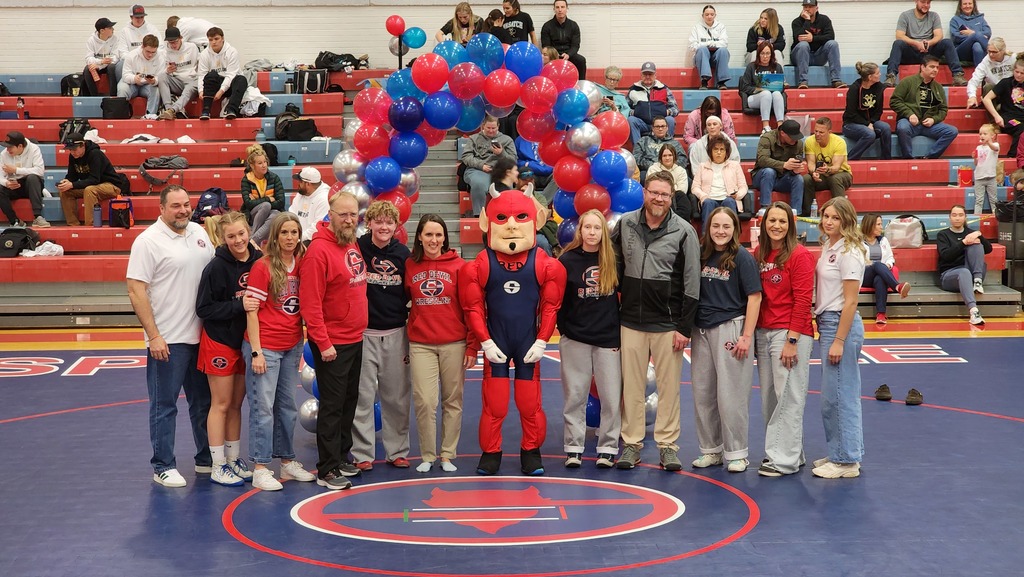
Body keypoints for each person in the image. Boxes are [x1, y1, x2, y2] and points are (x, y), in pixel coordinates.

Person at [460, 189, 567, 476]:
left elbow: (550, 307)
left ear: (535, 219)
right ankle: (491, 452)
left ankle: (530, 451)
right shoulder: (480, 264)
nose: (510, 224)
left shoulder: (546, 263)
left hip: (526, 343)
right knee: (494, 403)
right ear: (487, 222)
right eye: (502, 217)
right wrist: (484, 340)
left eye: (520, 216)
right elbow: (472, 307)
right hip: (496, 340)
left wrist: (543, 339)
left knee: (529, 403)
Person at [126, 184, 215, 488]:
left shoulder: (199, 233)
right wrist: (153, 336)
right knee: (164, 405)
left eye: (186, 205)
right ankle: (163, 465)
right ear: (161, 209)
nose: (183, 210)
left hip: (203, 337)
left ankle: (207, 460)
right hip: (169, 340)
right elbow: (135, 289)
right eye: (175, 205)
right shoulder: (148, 241)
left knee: (203, 403)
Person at [612, 171, 700, 471]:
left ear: (671, 196)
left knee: (669, 388)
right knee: (632, 388)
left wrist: (684, 327)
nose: (659, 199)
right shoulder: (625, 224)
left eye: (664, 194)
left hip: (668, 325)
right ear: (644, 192)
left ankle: (667, 446)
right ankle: (632, 444)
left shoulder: (685, 231)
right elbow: (611, 265)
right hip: (631, 322)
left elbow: (692, 284)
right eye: (654, 192)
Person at [242, 212, 318, 491]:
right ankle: (261, 467)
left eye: (294, 232)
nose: (289, 238)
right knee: (263, 408)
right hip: (265, 346)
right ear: (274, 236)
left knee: (286, 407)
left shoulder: (302, 265)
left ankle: (287, 461)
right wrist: (257, 352)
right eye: (284, 232)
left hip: (292, 345)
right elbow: (252, 313)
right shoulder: (263, 267)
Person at [299, 191, 369, 490]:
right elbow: (310, 304)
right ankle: (327, 469)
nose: (349, 219)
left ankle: (341, 456)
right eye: (343, 214)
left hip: (355, 337)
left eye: (353, 214)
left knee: (348, 401)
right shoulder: (318, 252)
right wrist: (323, 343)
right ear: (330, 214)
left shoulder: (350, 241)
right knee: (331, 405)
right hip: (333, 343)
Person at [690, 207, 761, 473]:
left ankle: (737, 453)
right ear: (708, 228)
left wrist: (746, 336)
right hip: (701, 330)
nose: (720, 231)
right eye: (716, 226)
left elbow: (754, 297)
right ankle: (711, 450)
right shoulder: (701, 253)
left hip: (731, 328)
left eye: (726, 227)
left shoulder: (742, 257)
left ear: (734, 230)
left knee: (731, 395)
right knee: (703, 393)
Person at [406, 214, 478, 473]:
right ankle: (427, 454)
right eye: (428, 235)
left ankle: (447, 454)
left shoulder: (460, 266)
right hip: (420, 344)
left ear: (445, 237)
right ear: (420, 238)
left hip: (454, 343)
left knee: (452, 401)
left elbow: (472, 308)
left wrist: (472, 345)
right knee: (425, 400)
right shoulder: (410, 266)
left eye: (438, 235)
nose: (434, 240)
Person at [195, 211, 261, 487]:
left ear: (248, 232)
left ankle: (233, 458)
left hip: (245, 342)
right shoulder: (215, 268)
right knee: (220, 404)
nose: (237, 240)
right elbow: (204, 308)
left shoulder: (259, 261)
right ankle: (218, 464)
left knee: (236, 404)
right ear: (222, 238)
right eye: (231, 236)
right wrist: (239, 305)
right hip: (220, 341)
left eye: (241, 234)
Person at [753, 201, 815, 477]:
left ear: (790, 226)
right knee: (771, 399)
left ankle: (782, 461)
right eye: (772, 221)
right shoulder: (759, 253)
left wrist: (792, 340)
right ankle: (793, 453)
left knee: (789, 397)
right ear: (764, 225)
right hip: (764, 332)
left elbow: (803, 300)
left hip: (789, 333)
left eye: (782, 221)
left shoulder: (800, 255)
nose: (776, 226)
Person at [557, 209, 622, 469]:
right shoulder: (567, 260)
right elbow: (558, 301)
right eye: (588, 228)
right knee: (575, 396)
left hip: (607, 338)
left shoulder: (614, 259)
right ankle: (574, 447)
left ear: (603, 231)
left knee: (610, 397)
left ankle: (607, 447)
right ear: (580, 230)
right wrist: (565, 329)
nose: (592, 232)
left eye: (597, 228)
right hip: (575, 338)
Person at [351, 201, 413, 472]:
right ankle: (362, 453)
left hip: (396, 333)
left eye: (389, 222)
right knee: (362, 398)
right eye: (379, 221)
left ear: (396, 226)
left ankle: (397, 451)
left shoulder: (403, 254)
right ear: (370, 223)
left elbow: (412, 292)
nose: (384, 227)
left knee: (397, 398)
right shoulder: (357, 249)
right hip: (363, 334)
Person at [812, 197, 866, 479]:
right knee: (832, 395)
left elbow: (851, 302)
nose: (828, 221)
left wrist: (839, 340)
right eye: (825, 216)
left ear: (846, 220)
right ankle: (841, 451)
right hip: (828, 321)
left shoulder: (850, 252)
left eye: (834, 217)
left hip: (839, 323)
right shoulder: (830, 246)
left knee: (840, 394)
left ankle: (846, 461)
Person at [885, 0, 967, 87]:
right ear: (916, 1)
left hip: (929, 52)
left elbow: (939, 35)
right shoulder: (905, 15)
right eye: (923, 2)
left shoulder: (934, 16)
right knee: (898, 43)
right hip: (911, 52)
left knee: (947, 42)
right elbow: (899, 35)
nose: (926, 5)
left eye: (928, 3)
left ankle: (958, 75)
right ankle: (891, 76)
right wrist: (916, 43)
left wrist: (929, 43)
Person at [891, 55, 958, 159]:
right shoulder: (908, 82)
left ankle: (929, 157)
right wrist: (909, 114)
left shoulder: (938, 87)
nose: (935, 70)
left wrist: (933, 119)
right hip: (910, 122)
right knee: (902, 127)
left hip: (929, 125)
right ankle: (907, 158)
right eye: (932, 67)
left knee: (952, 131)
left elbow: (943, 109)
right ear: (922, 67)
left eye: (937, 67)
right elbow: (895, 101)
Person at [937, 204, 992, 325]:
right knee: (964, 272)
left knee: (977, 244)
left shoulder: (971, 232)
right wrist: (964, 242)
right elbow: (946, 256)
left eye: (961, 215)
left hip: (972, 273)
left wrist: (979, 235)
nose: (957, 218)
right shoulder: (943, 234)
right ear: (949, 218)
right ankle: (974, 311)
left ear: (965, 217)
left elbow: (988, 249)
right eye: (954, 215)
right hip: (950, 275)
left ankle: (977, 281)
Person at [56, 133, 126, 227]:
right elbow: (72, 176)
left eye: (74, 149)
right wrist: (66, 182)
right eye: (70, 150)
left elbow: (94, 179)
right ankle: (73, 225)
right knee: (65, 191)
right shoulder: (73, 156)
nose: (72, 152)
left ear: (83, 145)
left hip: (111, 185)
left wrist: (72, 184)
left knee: (89, 190)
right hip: (92, 186)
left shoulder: (95, 154)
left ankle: (90, 226)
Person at [860, 213, 911, 325]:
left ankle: (881, 314)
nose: (881, 227)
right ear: (870, 225)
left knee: (880, 278)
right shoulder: (857, 241)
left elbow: (890, 258)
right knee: (877, 265)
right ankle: (897, 287)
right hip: (862, 274)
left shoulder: (883, 240)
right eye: (878, 224)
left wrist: (887, 265)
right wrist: (874, 265)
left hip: (879, 273)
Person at [461, 115, 516, 216]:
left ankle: (506, 214)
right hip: (478, 169)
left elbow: (513, 160)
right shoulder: (474, 139)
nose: (491, 131)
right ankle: (479, 214)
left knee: (506, 184)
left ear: (498, 126)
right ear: (483, 126)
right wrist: (481, 165)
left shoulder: (507, 140)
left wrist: (501, 153)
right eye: (488, 128)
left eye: (493, 128)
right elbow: (466, 157)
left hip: (500, 170)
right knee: (479, 184)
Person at [751, 119, 805, 215]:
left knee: (798, 178)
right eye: (792, 137)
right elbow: (762, 160)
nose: (795, 140)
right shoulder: (767, 138)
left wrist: (795, 170)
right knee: (769, 172)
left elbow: (794, 169)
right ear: (782, 133)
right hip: (762, 178)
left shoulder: (799, 144)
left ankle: (796, 213)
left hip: (782, 178)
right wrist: (784, 165)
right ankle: (765, 208)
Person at [692, 135, 748, 228]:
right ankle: (706, 239)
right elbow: (695, 187)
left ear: (726, 152)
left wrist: (737, 195)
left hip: (728, 197)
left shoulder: (735, 166)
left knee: (729, 202)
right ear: (710, 151)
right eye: (715, 149)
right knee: (708, 203)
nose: (718, 152)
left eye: (722, 149)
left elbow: (743, 186)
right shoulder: (702, 166)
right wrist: (703, 196)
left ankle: (732, 238)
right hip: (709, 198)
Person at [802, 117, 853, 216]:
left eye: (821, 132)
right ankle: (808, 213)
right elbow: (811, 163)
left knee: (834, 178)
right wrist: (814, 173)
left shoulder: (839, 142)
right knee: (806, 178)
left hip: (842, 174)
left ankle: (842, 214)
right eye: (816, 131)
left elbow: (836, 167)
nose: (817, 134)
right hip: (822, 175)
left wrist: (828, 169)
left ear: (829, 132)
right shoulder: (809, 141)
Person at [842, 62, 891, 161]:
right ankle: (851, 159)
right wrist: (866, 124)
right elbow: (851, 113)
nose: (880, 75)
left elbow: (879, 111)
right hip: (851, 124)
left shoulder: (879, 87)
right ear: (870, 77)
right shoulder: (854, 89)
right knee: (869, 134)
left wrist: (872, 122)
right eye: (877, 73)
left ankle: (886, 159)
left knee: (885, 128)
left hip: (870, 122)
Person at [791, 0, 846, 89]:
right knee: (803, 44)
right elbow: (800, 38)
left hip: (818, 55)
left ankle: (836, 80)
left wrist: (813, 38)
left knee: (833, 44)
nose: (807, 9)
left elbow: (830, 36)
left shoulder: (824, 20)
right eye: (805, 7)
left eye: (810, 7)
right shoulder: (797, 22)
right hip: (800, 56)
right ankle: (803, 81)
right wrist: (807, 20)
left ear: (816, 8)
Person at [196, 27, 247, 120]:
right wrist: (200, 91)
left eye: (216, 39)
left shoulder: (232, 52)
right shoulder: (204, 54)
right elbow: (201, 75)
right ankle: (206, 111)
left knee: (241, 79)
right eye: (210, 40)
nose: (213, 42)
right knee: (211, 75)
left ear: (222, 38)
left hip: (230, 85)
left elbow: (231, 75)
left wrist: (221, 91)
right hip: (215, 84)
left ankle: (231, 110)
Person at [0, 131, 49, 228]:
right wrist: (6, 183)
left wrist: (16, 170)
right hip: (14, 185)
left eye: (10, 147)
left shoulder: (34, 149)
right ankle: (14, 221)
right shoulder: (4, 154)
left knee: (33, 177)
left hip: (30, 185)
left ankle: (38, 216)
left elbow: (40, 171)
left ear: (20, 146)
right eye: (7, 146)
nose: (8, 149)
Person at [982, 56, 1024, 167]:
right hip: (1008, 118)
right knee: (1021, 128)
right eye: (1016, 72)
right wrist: (996, 116)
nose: (1018, 75)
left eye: (1022, 73)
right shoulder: (1006, 83)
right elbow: (986, 99)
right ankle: (1012, 156)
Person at [240, 144, 285, 247]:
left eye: (265, 162)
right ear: (252, 165)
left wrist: (257, 201)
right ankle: (254, 239)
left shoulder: (274, 178)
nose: (264, 165)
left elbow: (281, 202)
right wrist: (268, 199)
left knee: (276, 213)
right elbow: (248, 204)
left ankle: (253, 240)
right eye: (260, 163)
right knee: (266, 205)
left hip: (271, 213)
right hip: (253, 214)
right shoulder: (246, 180)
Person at [739, 41, 787, 133]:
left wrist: (780, 86)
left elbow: (781, 88)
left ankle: (780, 126)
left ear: (771, 54)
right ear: (759, 54)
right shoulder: (751, 67)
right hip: (754, 98)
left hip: (773, 97)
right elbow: (744, 87)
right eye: (762, 53)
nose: (765, 56)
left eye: (768, 53)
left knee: (776, 93)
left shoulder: (777, 67)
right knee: (766, 93)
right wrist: (758, 89)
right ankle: (766, 126)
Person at [627, 62, 680, 145]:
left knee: (670, 120)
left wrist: (667, 112)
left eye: (650, 74)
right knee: (631, 120)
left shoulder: (664, 89)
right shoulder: (633, 89)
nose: (647, 77)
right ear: (641, 75)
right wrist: (633, 112)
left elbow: (675, 109)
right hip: (642, 123)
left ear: (655, 75)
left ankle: (667, 149)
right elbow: (626, 108)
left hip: (660, 123)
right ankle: (638, 151)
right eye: (645, 74)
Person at [157, 27, 199, 120]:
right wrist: (167, 70)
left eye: (175, 41)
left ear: (181, 38)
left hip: (192, 80)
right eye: (170, 42)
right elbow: (160, 73)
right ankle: (168, 108)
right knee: (161, 76)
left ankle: (173, 110)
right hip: (177, 81)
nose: (173, 45)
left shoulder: (192, 47)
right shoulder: (164, 52)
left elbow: (200, 64)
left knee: (190, 88)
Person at [117, 34, 164, 119]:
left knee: (156, 90)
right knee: (122, 88)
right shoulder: (131, 55)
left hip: (148, 85)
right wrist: (134, 78)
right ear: (142, 47)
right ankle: (121, 117)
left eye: (153, 52)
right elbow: (125, 75)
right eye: (148, 51)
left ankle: (149, 117)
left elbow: (161, 76)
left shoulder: (161, 57)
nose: (150, 55)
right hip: (132, 84)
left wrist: (154, 81)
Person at [688, 5, 731, 89]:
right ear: (702, 16)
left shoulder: (721, 26)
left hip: (716, 56)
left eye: (712, 14)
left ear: (715, 15)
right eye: (707, 14)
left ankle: (721, 82)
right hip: (701, 58)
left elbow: (724, 43)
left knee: (723, 50)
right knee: (702, 49)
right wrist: (706, 44)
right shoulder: (696, 27)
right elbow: (692, 45)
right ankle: (704, 81)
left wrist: (713, 44)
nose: (709, 16)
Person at [541, 0, 586, 81]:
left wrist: (568, 55)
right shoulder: (547, 26)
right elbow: (546, 46)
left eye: (562, 7)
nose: (560, 10)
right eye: (557, 7)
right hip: (553, 55)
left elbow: (575, 45)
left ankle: (581, 84)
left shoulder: (573, 25)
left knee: (581, 60)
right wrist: (555, 55)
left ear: (567, 8)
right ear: (554, 9)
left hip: (569, 54)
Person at [115, 4, 159, 84]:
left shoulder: (152, 28)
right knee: (120, 65)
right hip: (131, 60)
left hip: (149, 59)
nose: (139, 20)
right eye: (137, 17)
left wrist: (148, 57)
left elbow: (160, 47)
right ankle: (121, 86)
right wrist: (133, 59)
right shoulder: (125, 31)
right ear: (131, 17)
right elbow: (122, 51)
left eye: (142, 17)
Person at [966, 38, 1016, 109]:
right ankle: (993, 118)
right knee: (988, 87)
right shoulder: (985, 62)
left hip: (1012, 90)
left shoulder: (1013, 58)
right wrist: (972, 96)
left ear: (1002, 51)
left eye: (994, 52)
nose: (991, 54)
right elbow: (973, 81)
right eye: (989, 51)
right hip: (996, 93)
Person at [288, 166, 330, 242]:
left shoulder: (324, 199)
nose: (298, 184)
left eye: (300, 182)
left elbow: (318, 228)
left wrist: (298, 239)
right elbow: (291, 215)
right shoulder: (301, 194)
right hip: (297, 238)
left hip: (314, 240)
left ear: (308, 184)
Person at [82, 18, 122, 97]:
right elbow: (88, 58)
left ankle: (113, 96)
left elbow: (115, 57)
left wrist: (101, 64)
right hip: (98, 65)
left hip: (107, 65)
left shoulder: (115, 39)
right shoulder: (91, 40)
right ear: (102, 31)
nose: (113, 29)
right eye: (110, 28)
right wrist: (100, 62)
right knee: (87, 69)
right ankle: (94, 97)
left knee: (112, 67)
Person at [950, 0, 992, 67]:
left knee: (977, 45)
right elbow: (956, 37)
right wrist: (974, 36)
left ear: (973, 5)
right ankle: (993, 51)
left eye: (970, 3)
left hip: (979, 51)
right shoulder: (955, 20)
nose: (967, 6)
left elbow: (988, 32)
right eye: (965, 4)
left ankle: (979, 75)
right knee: (976, 36)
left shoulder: (980, 18)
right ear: (960, 6)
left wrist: (972, 33)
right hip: (962, 51)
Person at [973, 124, 1001, 214]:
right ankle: (977, 216)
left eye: (985, 134)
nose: (982, 136)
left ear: (992, 136)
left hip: (991, 177)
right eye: (980, 134)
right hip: (979, 177)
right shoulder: (978, 147)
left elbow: (995, 149)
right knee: (978, 200)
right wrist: (974, 158)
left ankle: (995, 215)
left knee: (993, 199)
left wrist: (989, 142)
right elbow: (977, 163)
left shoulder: (995, 144)